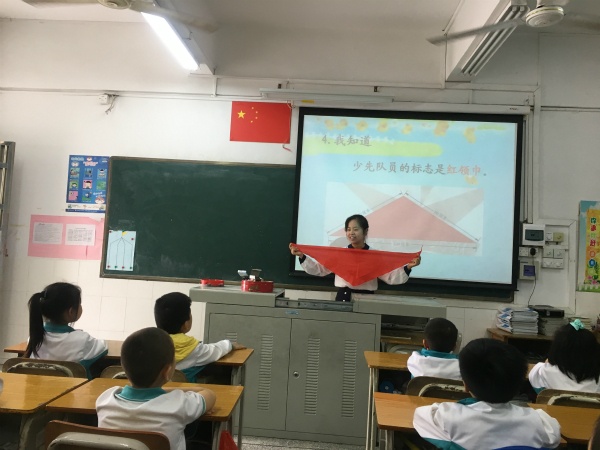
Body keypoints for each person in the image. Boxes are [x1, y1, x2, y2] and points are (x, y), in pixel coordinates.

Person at [413, 338, 561, 449]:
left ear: (465, 385)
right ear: (518, 386)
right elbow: (554, 438)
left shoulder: (446, 417)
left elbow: (420, 416)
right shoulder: (541, 423)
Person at [96, 327, 216, 450]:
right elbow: (210, 395)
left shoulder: (105, 400)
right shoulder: (178, 404)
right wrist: (180, 391)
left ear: (123, 366)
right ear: (167, 371)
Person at [289, 214, 421, 301]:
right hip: (343, 297)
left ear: (365, 231)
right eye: (348, 229)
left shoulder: (375, 256)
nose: (351, 233)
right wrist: (302, 256)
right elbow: (320, 270)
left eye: (356, 229)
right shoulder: (340, 254)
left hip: (368, 299)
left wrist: (408, 267)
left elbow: (390, 277)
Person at [154, 292, 245, 382]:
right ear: (186, 324)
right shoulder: (191, 348)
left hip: (158, 390)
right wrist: (230, 345)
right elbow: (215, 350)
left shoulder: (152, 343)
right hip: (184, 391)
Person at [25, 282, 107, 379]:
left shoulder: (34, 338)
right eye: (79, 304)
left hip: (39, 388)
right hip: (75, 388)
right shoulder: (82, 340)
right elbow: (104, 347)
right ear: (71, 312)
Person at [529, 319, 600, 393]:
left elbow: (534, 378)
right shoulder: (597, 378)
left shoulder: (544, 372)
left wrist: (548, 363)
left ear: (556, 349)